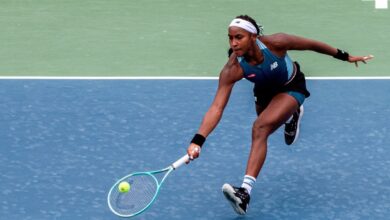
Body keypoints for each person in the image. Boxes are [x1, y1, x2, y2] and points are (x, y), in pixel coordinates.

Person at [186, 15, 373, 215]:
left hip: (291, 85)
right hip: (264, 92)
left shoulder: (276, 43)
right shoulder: (233, 69)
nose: (234, 43)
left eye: (239, 37)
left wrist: (345, 56)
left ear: (253, 36)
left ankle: (244, 193)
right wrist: (198, 140)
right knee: (264, 123)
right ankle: (292, 115)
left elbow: (312, 45)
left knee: (260, 127)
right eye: (230, 38)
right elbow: (217, 107)